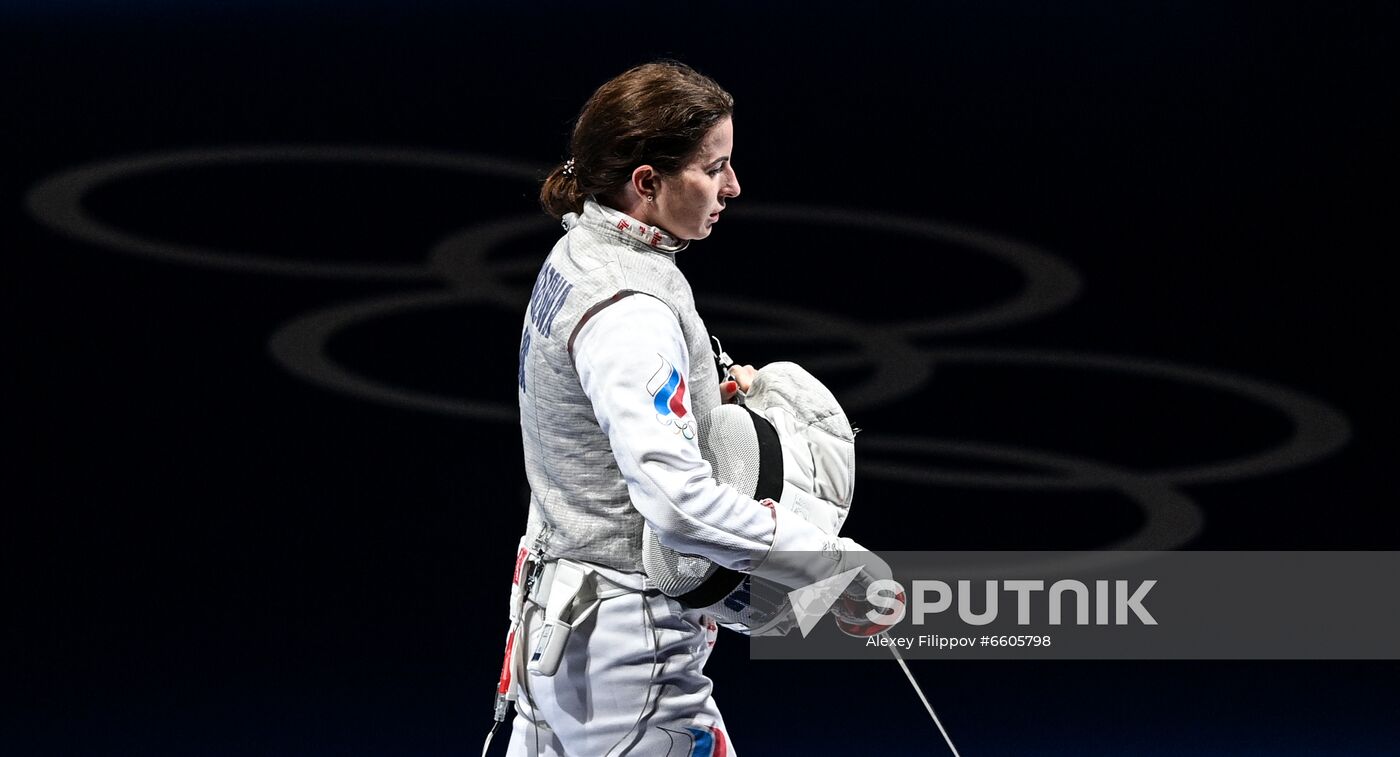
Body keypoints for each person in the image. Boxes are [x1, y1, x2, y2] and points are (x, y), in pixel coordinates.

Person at [500, 60, 886, 757]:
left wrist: (711, 394)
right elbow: (675, 501)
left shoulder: (583, 252)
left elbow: (583, 439)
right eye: (714, 168)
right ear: (647, 182)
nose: (732, 186)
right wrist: (825, 563)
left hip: (564, 620)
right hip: (626, 654)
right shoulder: (628, 311)